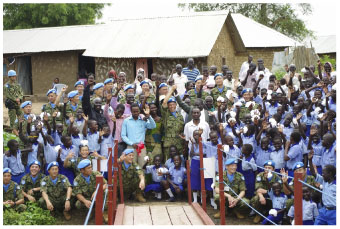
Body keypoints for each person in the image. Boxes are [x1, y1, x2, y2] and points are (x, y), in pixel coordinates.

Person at [121, 103, 156, 167]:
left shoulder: (143, 120)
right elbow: (123, 135)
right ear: (131, 111)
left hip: (141, 147)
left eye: (137, 111)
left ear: (139, 111)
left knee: (142, 166)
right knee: (131, 166)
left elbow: (153, 126)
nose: (136, 113)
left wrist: (148, 115)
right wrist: (131, 143)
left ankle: (142, 177)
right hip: (131, 147)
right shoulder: (126, 121)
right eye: (134, 111)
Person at [308, 151, 336, 225]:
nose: (322, 175)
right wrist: (310, 160)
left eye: (324, 173)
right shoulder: (324, 181)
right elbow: (313, 173)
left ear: (330, 174)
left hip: (334, 212)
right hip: (324, 210)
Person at [161, 86, 185, 161]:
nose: (171, 106)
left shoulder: (180, 116)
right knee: (168, 161)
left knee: (179, 160)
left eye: (173, 104)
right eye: (170, 104)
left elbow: (182, 129)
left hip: (178, 142)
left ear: (175, 104)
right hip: (169, 142)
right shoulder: (166, 114)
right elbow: (164, 102)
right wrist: (171, 90)